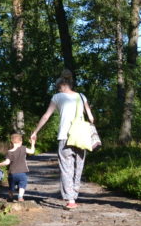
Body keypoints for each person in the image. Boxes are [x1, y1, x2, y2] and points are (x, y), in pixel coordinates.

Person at [29, 70, 95, 210]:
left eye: (58, 87)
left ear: (61, 86)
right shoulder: (82, 97)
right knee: (79, 167)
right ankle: (75, 193)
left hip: (65, 137)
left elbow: (46, 116)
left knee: (66, 168)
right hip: (81, 137)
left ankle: (71, 200)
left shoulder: (57, 97)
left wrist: (35, 131)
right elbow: (91, 118)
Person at [0, 133, 35, 202]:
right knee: (22, 185)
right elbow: (32, 151)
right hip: (22, 173)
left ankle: (10, 197)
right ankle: (20, 197)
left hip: (12, 174)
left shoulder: (9, 152)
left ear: (11, 143)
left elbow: (7, 162)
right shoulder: (23, 148)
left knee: (11, 186)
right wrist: (33, 143)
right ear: (21, 142)